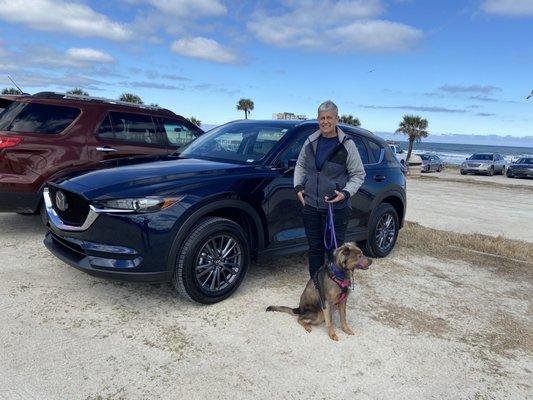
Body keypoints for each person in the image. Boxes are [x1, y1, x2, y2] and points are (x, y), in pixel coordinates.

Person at [293, 100, 366, 279]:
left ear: (336, 119)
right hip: (311, 206)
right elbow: (300, 166)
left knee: (335, 252)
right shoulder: (310, 141)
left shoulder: (347, 144)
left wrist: (345, 193)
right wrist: (298, 186)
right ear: (318, 119)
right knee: (315, 249)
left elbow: (358, 174)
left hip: (336, 209)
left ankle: (336, 288)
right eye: (322, 118)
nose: (325, 121)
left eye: (329, 117)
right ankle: (317, 288)